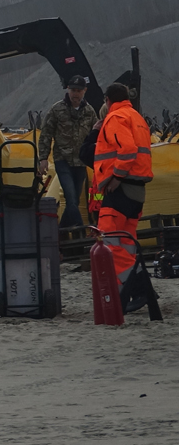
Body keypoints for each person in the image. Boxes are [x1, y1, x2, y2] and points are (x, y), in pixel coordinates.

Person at [92, 81, 160, 318]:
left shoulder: (115, 118)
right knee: (127, 242)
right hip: (136, 191)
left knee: (109, 240)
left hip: (118, 189)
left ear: (108, 100)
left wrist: (116, 178)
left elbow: (127, 150)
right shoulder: (137, 118)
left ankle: (139, 287)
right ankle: (140, 291)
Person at [37, 75, 97, 230]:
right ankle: (82, 230)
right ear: (68, 90)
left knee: (74, 201)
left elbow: (95, 136)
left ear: (85, 91)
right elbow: (46, 134)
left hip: (81, 162)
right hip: (62, 159)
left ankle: (61, 231)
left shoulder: (89, 112)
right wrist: (43, 158)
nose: (75, 94)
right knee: (70, 198)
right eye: (72, 90)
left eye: (78, 90)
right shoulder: (57, 110)